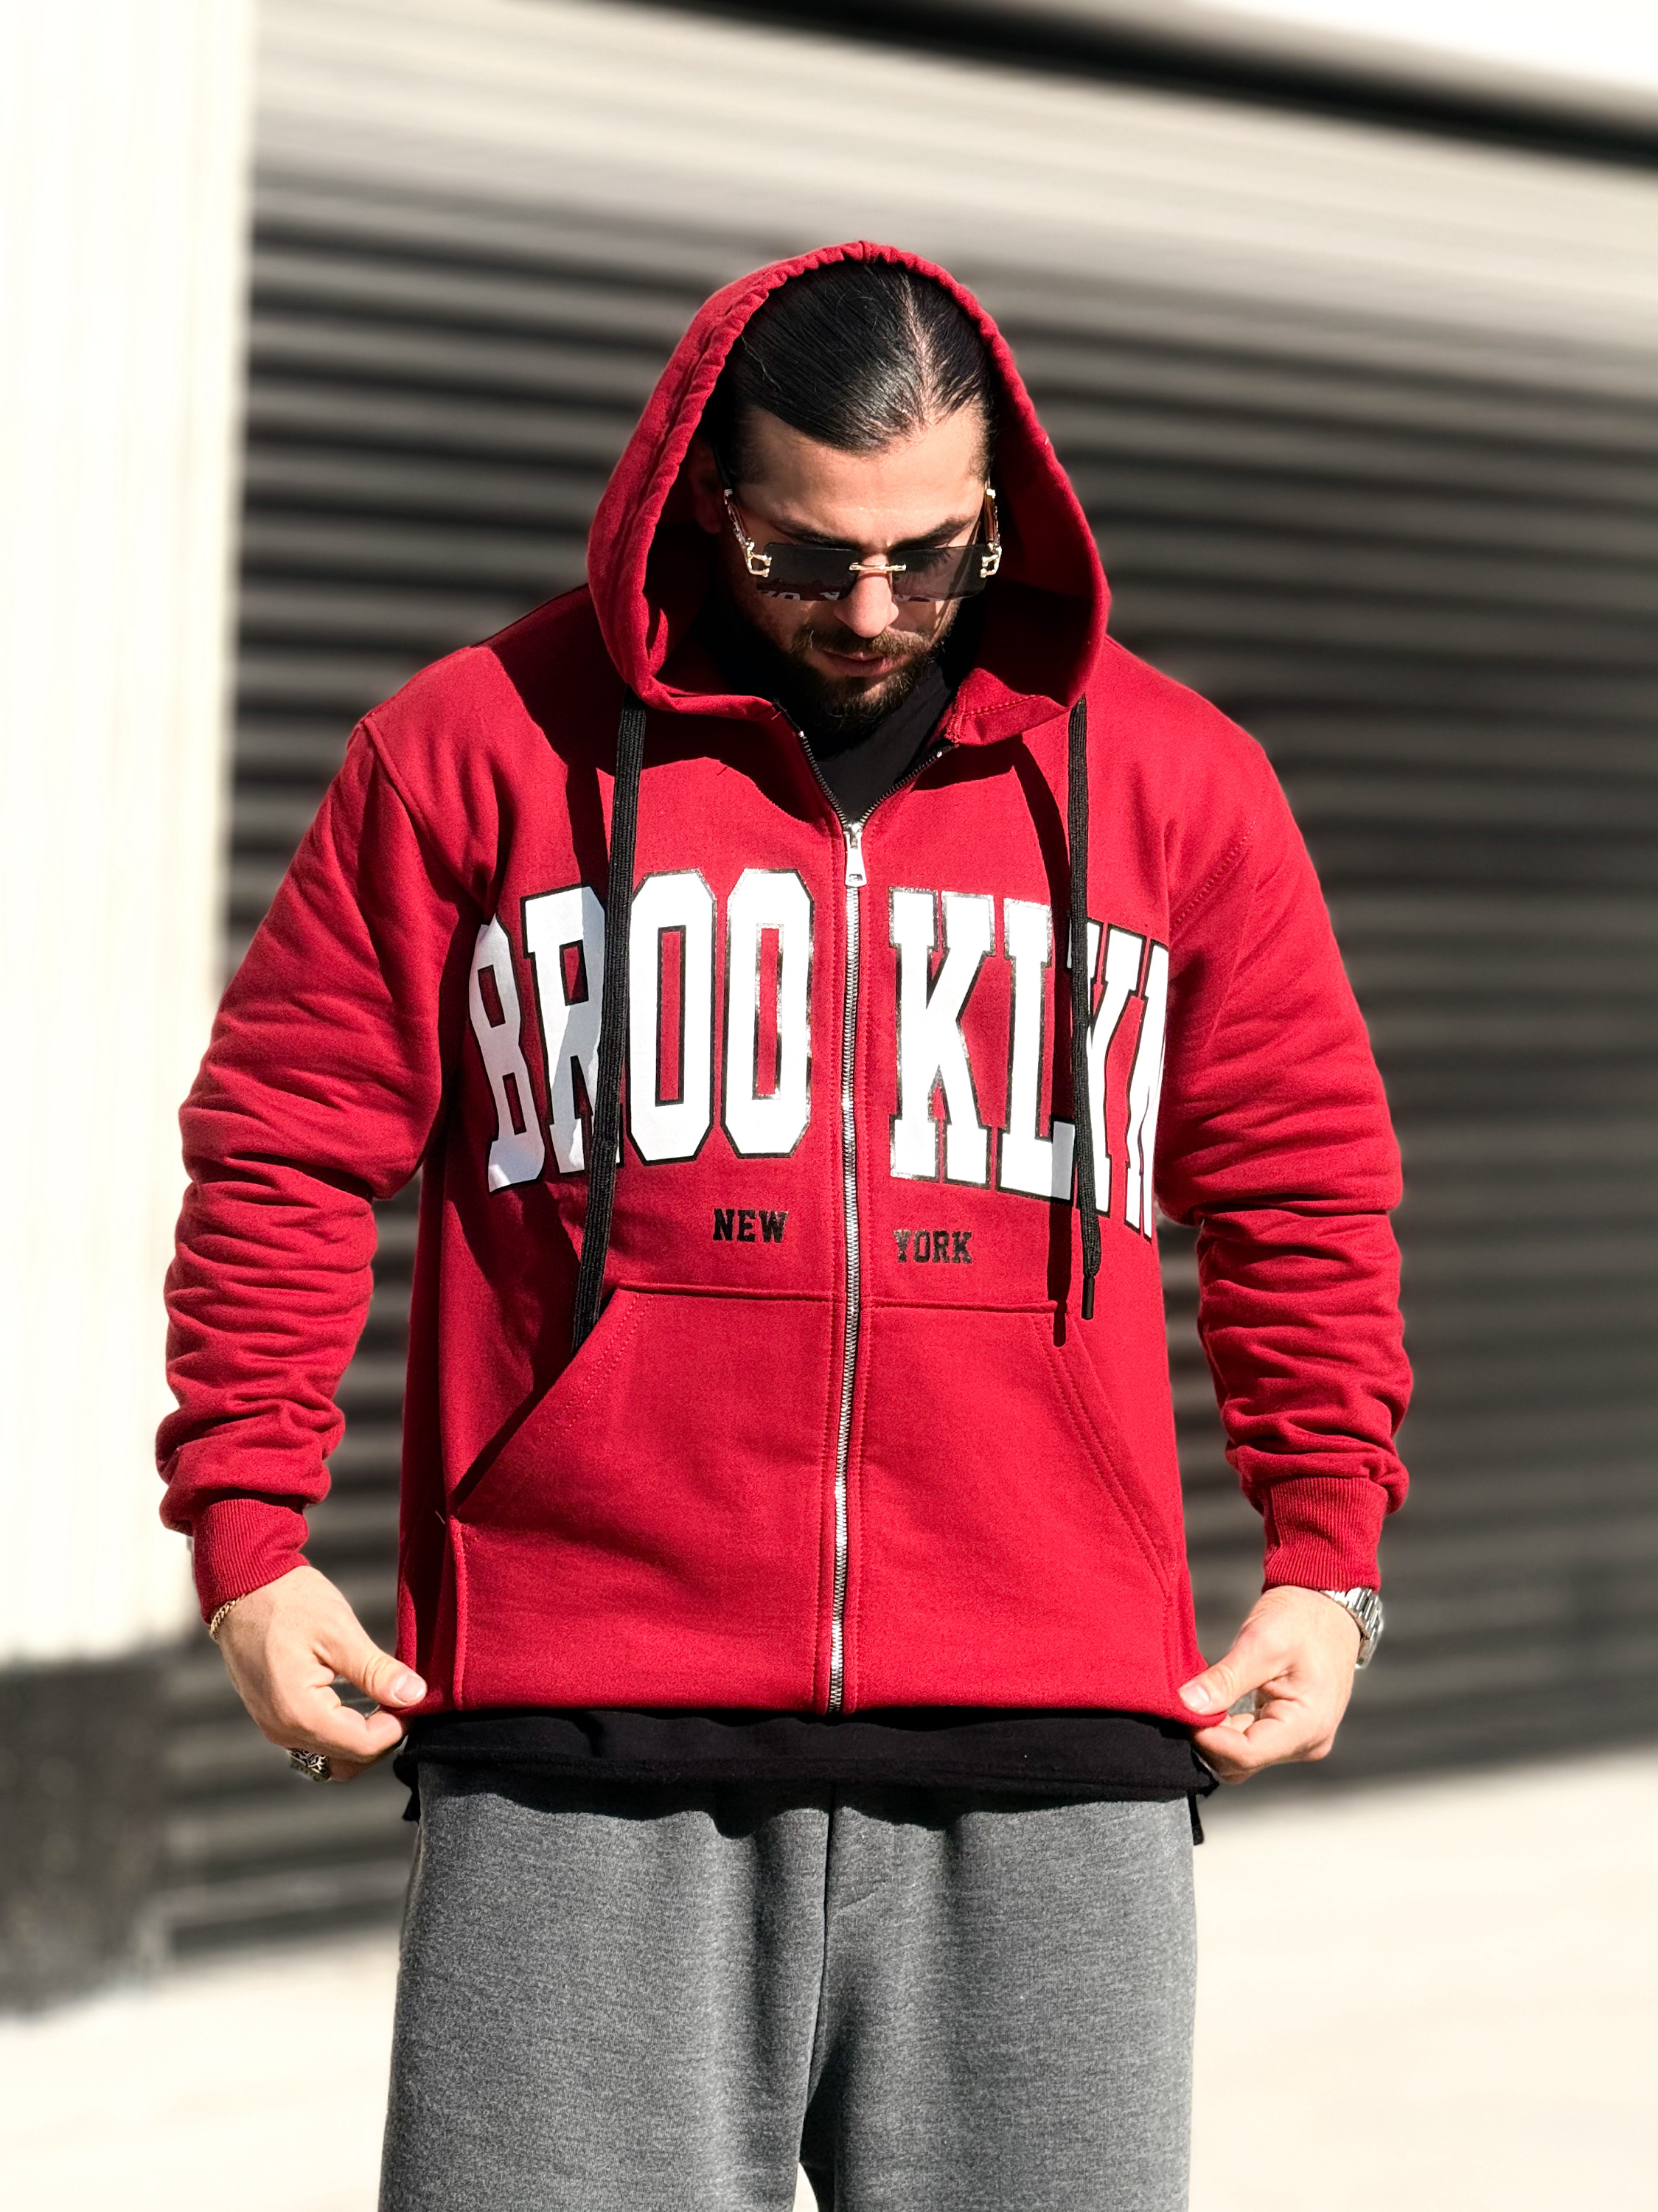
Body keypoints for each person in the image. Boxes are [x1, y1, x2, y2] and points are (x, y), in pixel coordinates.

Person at [159, 244, 1408, 2211]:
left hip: (1049, 1747)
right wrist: (247, 1529)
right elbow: (286, 1144)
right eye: (806, 554)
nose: (873, 609)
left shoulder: (1178, 784)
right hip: (582, 1743)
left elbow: (1299, 1179)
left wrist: (1326, 1560)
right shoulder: (474, 751)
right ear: (701, 492)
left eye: (932, 554)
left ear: (1003, 504)